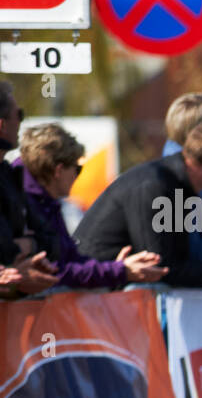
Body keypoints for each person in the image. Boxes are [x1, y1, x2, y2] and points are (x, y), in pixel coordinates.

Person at [74, 121, 202, 287]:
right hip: (90, 298)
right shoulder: (158, 186)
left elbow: (179, 259)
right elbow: (161, 267)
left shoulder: (178, 184)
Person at [19, 123, 166, 288]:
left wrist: (115, 268)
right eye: (78, 168)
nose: (78, 176)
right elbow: (57, 271)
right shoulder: (25, 204)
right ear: (58, 171)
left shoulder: (48, 202)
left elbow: (72, 260)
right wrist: (118, 270)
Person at [0, 81, 59, 297]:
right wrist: (16, 255)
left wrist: (26, 248)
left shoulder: (9, 175)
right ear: (2, 125)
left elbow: (52, 242)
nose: (20, 123)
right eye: (20, 115)